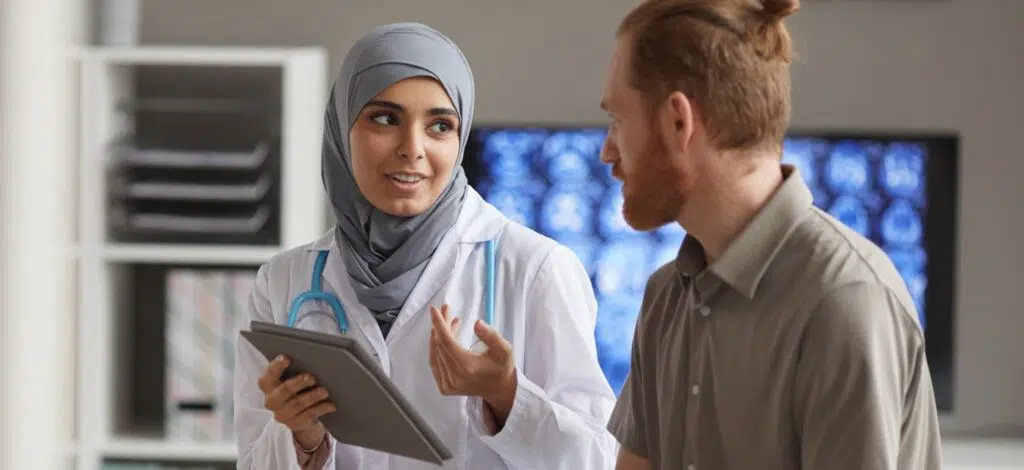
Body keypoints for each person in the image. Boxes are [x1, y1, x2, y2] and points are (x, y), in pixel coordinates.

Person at [233, 22, 619, 470]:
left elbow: (598, 460)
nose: (412, 149)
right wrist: (302, 438)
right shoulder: (286, 281)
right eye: (384, 118)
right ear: (342, 128)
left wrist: (507, 396)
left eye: (439, 126)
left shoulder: (536, 269)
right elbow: (254, 460)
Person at [598, 1, 943, 469]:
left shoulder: (843, 304)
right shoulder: (666, 298)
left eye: (619, 120)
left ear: (679, 122)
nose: (607, 151)